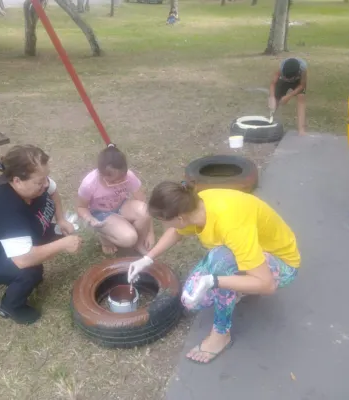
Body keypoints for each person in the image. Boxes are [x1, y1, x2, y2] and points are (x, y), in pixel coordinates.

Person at [127, 182, 301, 364]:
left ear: (180, 218)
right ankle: (243, 284)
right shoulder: (194, 205)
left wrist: (213, 281)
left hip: (282, 264)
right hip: (252, 252)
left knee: (221, 261)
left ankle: (220, 334)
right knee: (191, 300)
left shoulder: (231, 224)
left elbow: (267, 285)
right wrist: (148, 258)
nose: (162, 224)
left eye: (162, 220)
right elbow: (177, 232)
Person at [0, 145, 82, 325]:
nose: (46, 184)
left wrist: (61, 219)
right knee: (31, 271)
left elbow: (53, 189)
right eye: (40, 182)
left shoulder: (34, 184)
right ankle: (10, 306)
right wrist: (63, 244)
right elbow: (23, 259)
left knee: (51, 233)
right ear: (17, 181)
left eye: (45, 177)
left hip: (8, 240)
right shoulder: (4, 207)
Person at [76, 143, 155, 255]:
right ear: (101, 174)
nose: (119, 182)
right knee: (129, 238)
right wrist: (90, 219)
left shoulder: (129, 176)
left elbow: (143, 203)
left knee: (144, 211)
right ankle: (104, 236)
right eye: (113, 181)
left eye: (122, 178)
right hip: (101, 213)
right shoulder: (89, 184)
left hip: (121, 205)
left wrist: (150, 233)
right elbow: (81, 207)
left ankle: (138, 244)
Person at [269, 57, 308, 136]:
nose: (288, 80)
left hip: (298, 83)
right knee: (275, 100)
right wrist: (272, 97)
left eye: (289, 79)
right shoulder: (281, 68)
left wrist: (288, 96)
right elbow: (273, 83)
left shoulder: (303, 68)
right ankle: (269, 121)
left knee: (301, 97)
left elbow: (302, 85)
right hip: (282, 82)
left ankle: (301, 129)